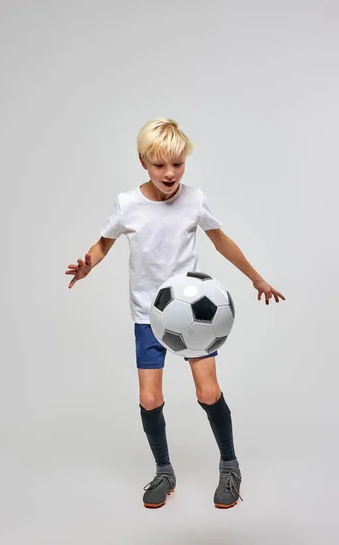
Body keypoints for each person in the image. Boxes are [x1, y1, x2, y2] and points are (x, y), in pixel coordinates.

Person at [65, 118, 285, 510]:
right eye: (160, 165)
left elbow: (222, 242)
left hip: (192, 315)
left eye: (178, 164)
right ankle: (164, 471)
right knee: (149, 399)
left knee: (208, 391)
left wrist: (257, 278)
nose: (170, 174)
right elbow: (102, 244)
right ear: (143, 162)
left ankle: (230, 466)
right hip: (147, 316)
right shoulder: (127, 204)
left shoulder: (194, 200)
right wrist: (87, 266)